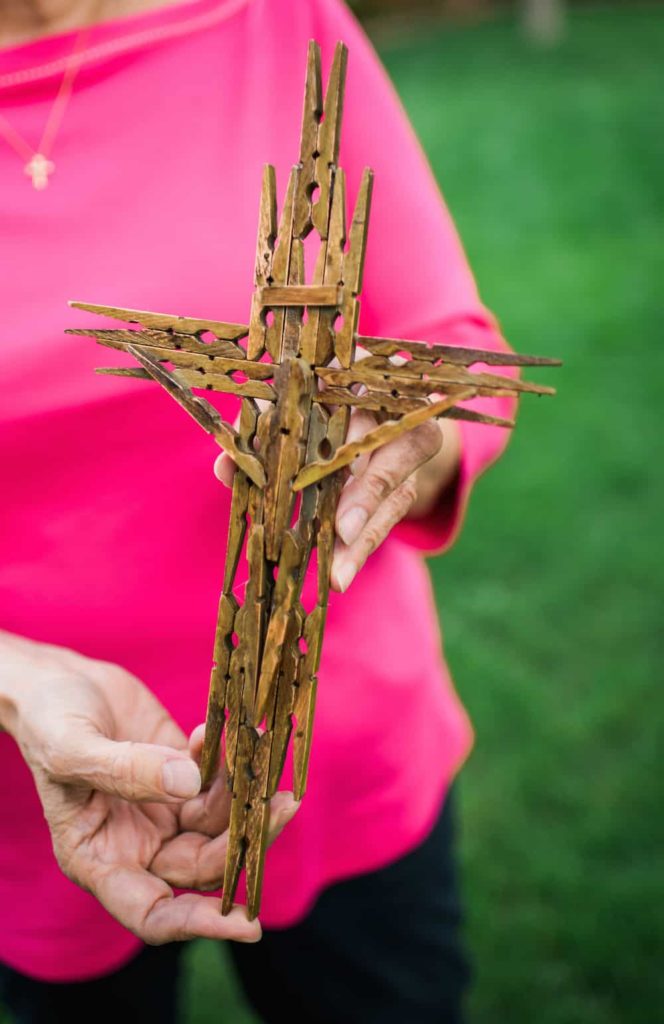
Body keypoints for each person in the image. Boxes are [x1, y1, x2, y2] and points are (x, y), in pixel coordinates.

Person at [0, 1, 515, 1021]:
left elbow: (453, 350)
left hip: (342, 745)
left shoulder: (275, 21)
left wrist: (412, 432)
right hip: (34, 783)